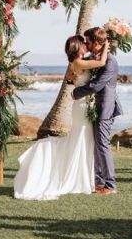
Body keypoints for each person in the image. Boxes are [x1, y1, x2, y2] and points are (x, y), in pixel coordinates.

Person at [13, 33, 109, 200]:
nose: (86, 44)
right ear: (77, 47)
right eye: (83, 43)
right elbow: (101, 62)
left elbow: (70, 80)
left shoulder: (75, 62)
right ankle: (80, 179)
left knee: (84, 140)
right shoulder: (79, 62)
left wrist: (73, 79)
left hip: (82, 104)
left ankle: (85, 178)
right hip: (82, 107)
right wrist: (107, 45)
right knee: (81, 140)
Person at [73, 26, 123, 195]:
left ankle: (110, 185)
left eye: (87, 41)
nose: (85, 44)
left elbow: (96, 86)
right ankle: (99, 182)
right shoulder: (94, 57)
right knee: (96, 145)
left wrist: (75, 93)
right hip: (93, 107)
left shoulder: (110, 61)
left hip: (105, 108)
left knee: (102, 145)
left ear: (96, 43)